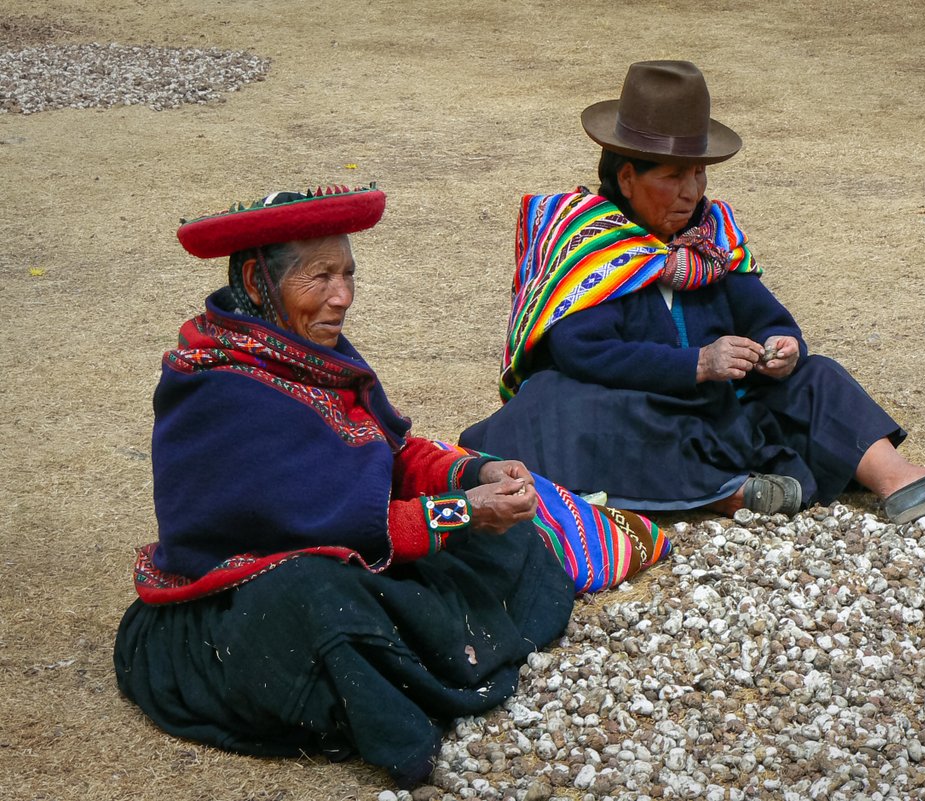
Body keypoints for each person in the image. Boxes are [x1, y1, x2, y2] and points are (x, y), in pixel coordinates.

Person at [113, 184, 581, 789]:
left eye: (348, 275)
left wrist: (473, 474)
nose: (342, 298)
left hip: (347, 550)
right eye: (320, 277)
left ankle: (433, 656)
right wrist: (457, 514)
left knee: (508, 543)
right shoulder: (218, 388)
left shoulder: (306, 347)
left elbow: (388, 453)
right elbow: (310, 527)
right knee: (322, 602)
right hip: (242, 596)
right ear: (259, 286)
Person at [460, 61, 925, 523]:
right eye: (673, 176)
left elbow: (766, 315)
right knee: (565, 405)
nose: (692, 192)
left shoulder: (711, 240)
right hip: (638, 410)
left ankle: (903, 483)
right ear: (627, 177)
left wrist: (781, 347)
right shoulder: (583, 238)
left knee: (818, 377)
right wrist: (696, 364)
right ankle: (729, 494)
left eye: (699, 174)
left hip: (721, 411)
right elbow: (582, 351)